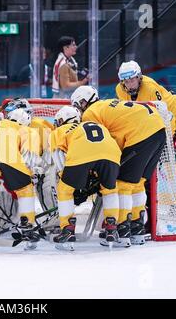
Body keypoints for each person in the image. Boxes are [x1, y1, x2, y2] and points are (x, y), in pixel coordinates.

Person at [72, 86, 166, 247]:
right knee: (137, 184)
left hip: (141, 134)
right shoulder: (107, 105)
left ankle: (122, 231)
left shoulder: (90, 114)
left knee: (123, 185)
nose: (78, 111)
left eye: (77, 105)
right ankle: (137, 229)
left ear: (83, 101)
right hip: (159, 131)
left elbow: (98, 147)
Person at [50, 106, 121, 250]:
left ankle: (67, 229)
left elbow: (58, 158)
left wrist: (71, 180)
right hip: (112, 154)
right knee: (109, 190)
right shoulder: (97, 125)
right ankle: (111, 226)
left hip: (82, 153)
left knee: (64, 190)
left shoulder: (60, 130)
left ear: (63, 120)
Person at [115, 61, 176, 197]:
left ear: (139, 77)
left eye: (132, 80)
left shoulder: (150, 89)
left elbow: (167, 115)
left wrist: (174, 137)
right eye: (126, 81)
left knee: (173, 162)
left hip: (174, 118)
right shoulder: (119, 90)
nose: (129, 84)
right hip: (154, 122)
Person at [0, 108, 42, 250]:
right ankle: (27, 226)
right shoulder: (25, 129)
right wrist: (31, 175)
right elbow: (29, 157)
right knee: (25, 188)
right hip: (7, 156)